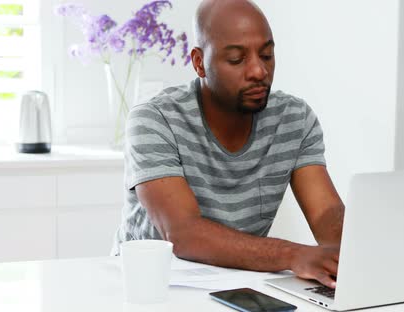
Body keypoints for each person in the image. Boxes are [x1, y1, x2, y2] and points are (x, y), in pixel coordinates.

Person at [112, 0, 345, 289]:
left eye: (267, 55)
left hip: (241, 286)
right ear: (199, 62)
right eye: (237, 59)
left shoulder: (294, 118)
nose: (259, 71)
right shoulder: (155, 120)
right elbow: (183, 232)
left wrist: (357, 254)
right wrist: (294, 254)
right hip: (152, 287)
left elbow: (325, 213)